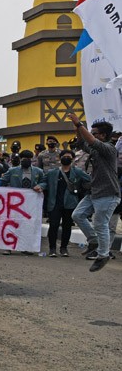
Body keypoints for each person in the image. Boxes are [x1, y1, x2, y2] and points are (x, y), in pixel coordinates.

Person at [68, 114, 121, 271]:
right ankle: (93, 241)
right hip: (94, 192)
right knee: (77, 215)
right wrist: (78, 128)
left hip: (108, 193)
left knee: (100, 224)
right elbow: (82, 142)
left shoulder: (109, 149)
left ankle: (103, 255)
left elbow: (90, 141)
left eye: (95, 132)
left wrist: (79, 124)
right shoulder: (96, 150)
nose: (91, 134)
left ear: (103, 135)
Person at [40, 149, 90, 258]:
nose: (66, 158)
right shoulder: (52, 172)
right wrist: (40, 187)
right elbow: (44, 182)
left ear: (72, 159)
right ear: (60, 158)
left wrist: (83, 189)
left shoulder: (77, 172)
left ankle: (64, 248)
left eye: (69, 157)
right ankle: (52, 249)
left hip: (70, 204)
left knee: (67, 227)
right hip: (54, 204)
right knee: (53, 226)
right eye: (64, 156)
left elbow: (89, 180)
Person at [1, 150, 45, 255]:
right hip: (15, 202)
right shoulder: (12, 171)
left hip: (30, 203)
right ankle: (8, 247)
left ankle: (25, 246)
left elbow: (44, 182)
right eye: (24, 159)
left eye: (29, 159)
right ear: (21, 159)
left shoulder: (38, 171)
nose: (27, 161)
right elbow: (2, 181)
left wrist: (41, 186)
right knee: (12, 223)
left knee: (27, 224)